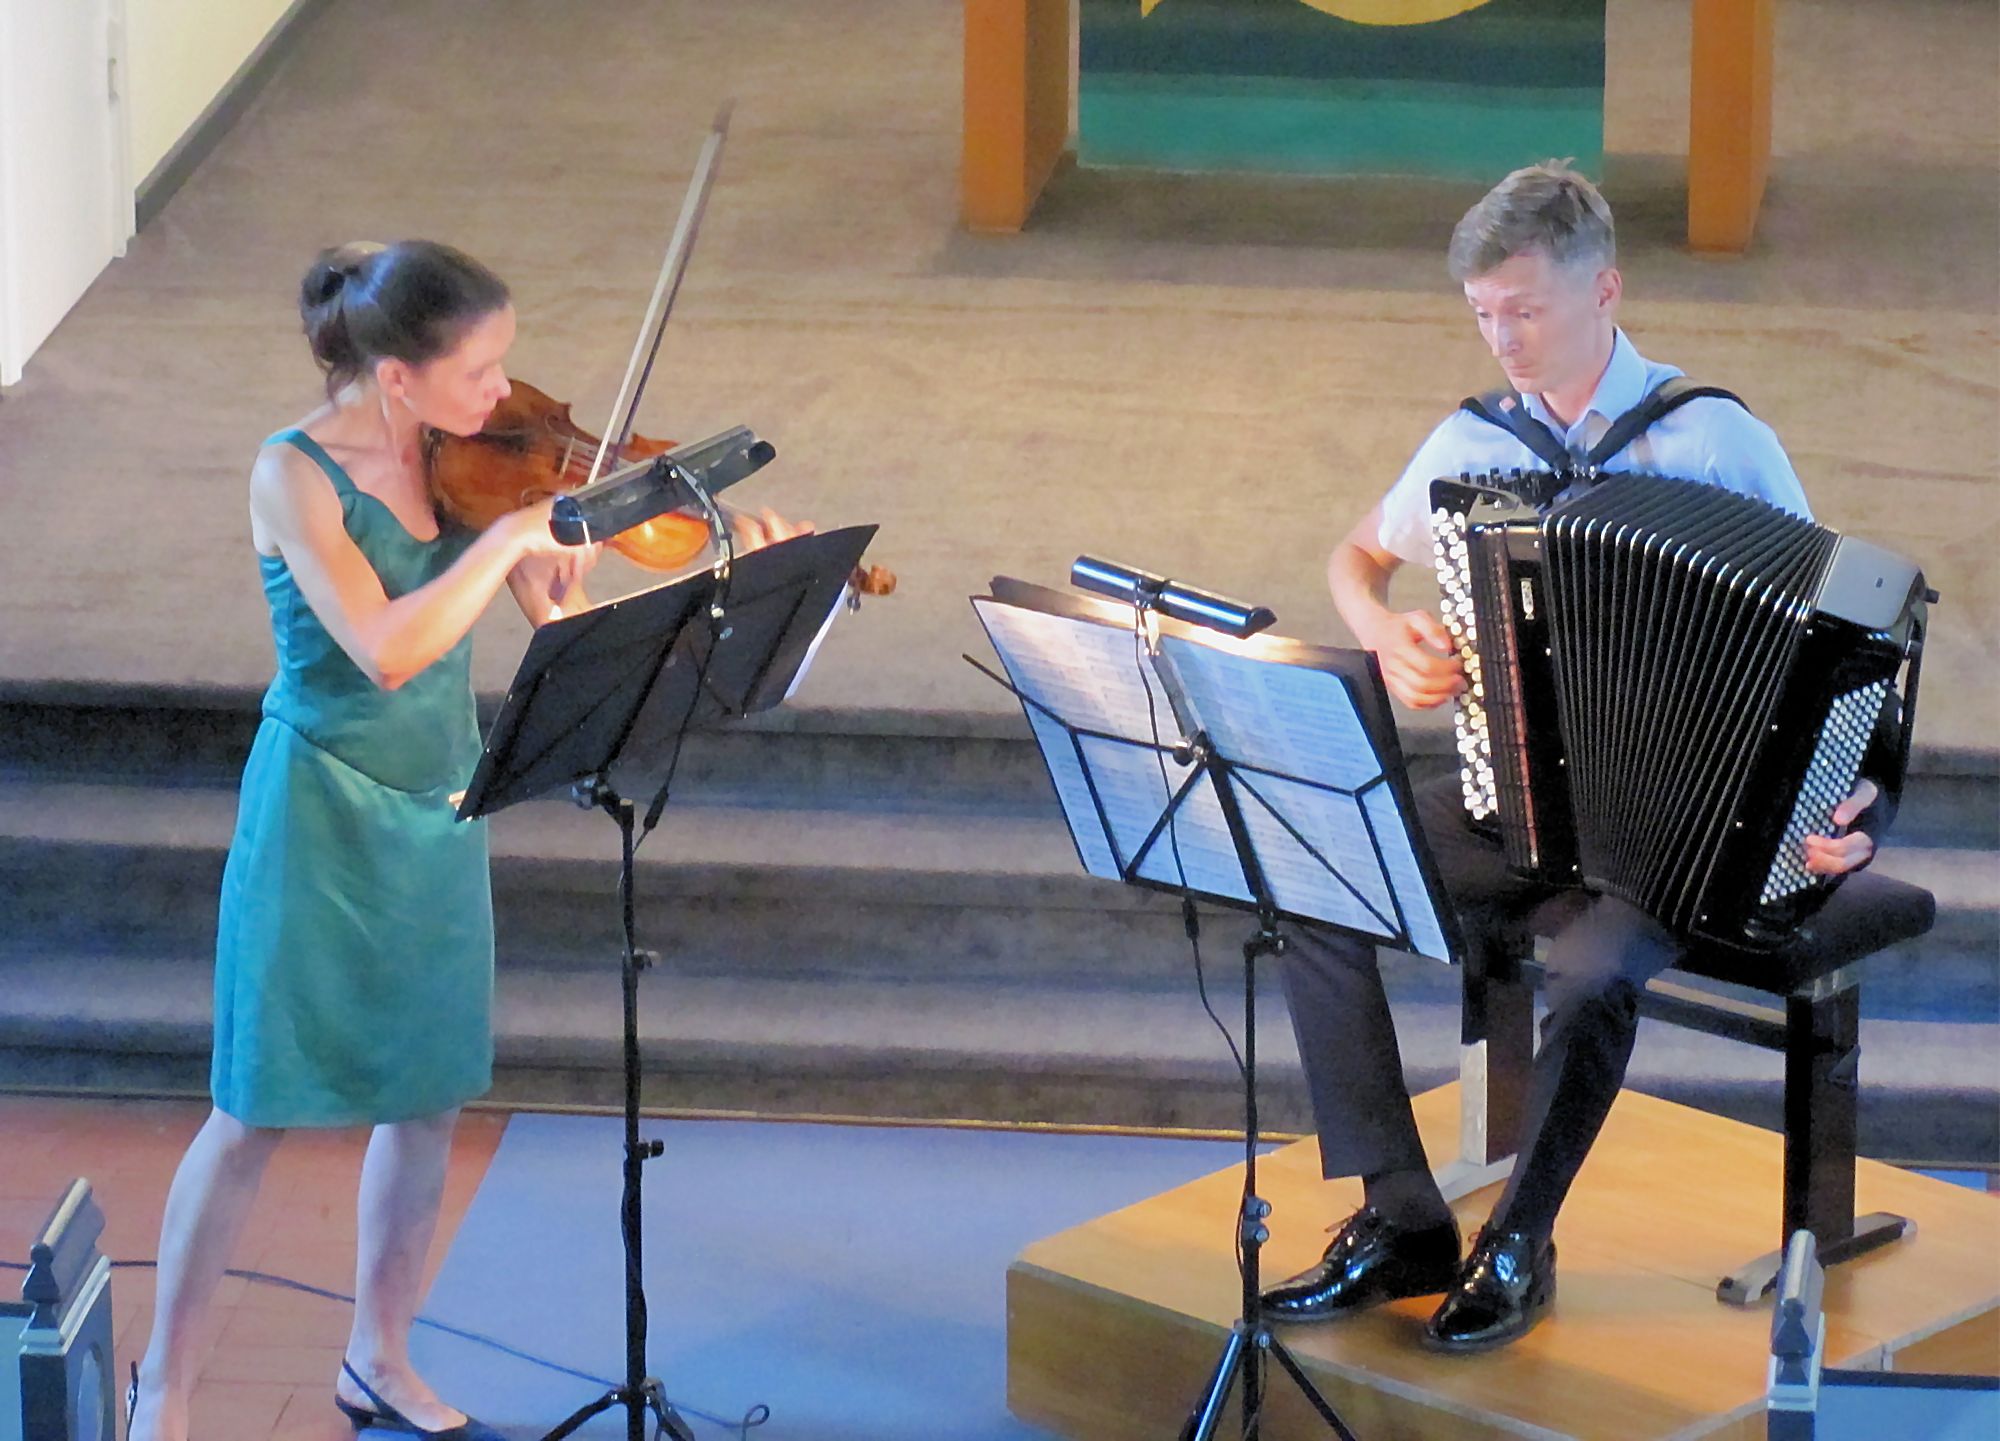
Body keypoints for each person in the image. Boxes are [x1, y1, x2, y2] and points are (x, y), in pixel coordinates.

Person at [125, 239, 803, 1441]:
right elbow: (384, 647)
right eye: (480, 370)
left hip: (440, 805)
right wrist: (501, 543)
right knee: (254, 1108)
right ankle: (164, 1388)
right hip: (320, 811)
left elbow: (558, 615)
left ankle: (377, 1353)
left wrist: (707, 558)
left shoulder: (470, 468)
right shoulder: (292, 476)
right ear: (398, 376)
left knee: (428, 1098)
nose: (505, 394)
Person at [1262, 163, 1890, 1354]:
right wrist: (1384, 633)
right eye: (1481, 314)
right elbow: (1356, 557)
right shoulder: (1468, 440)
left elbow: (1839, 632)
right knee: (1314, 875)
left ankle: (1518, 1242)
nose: (1500, 338)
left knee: (1596, 972)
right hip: (1516, 799)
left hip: (1682, 828)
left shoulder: (1710, 438)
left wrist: (1843, 788)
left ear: (1603, 290)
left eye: (1525, 311)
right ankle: (1401, 1216)